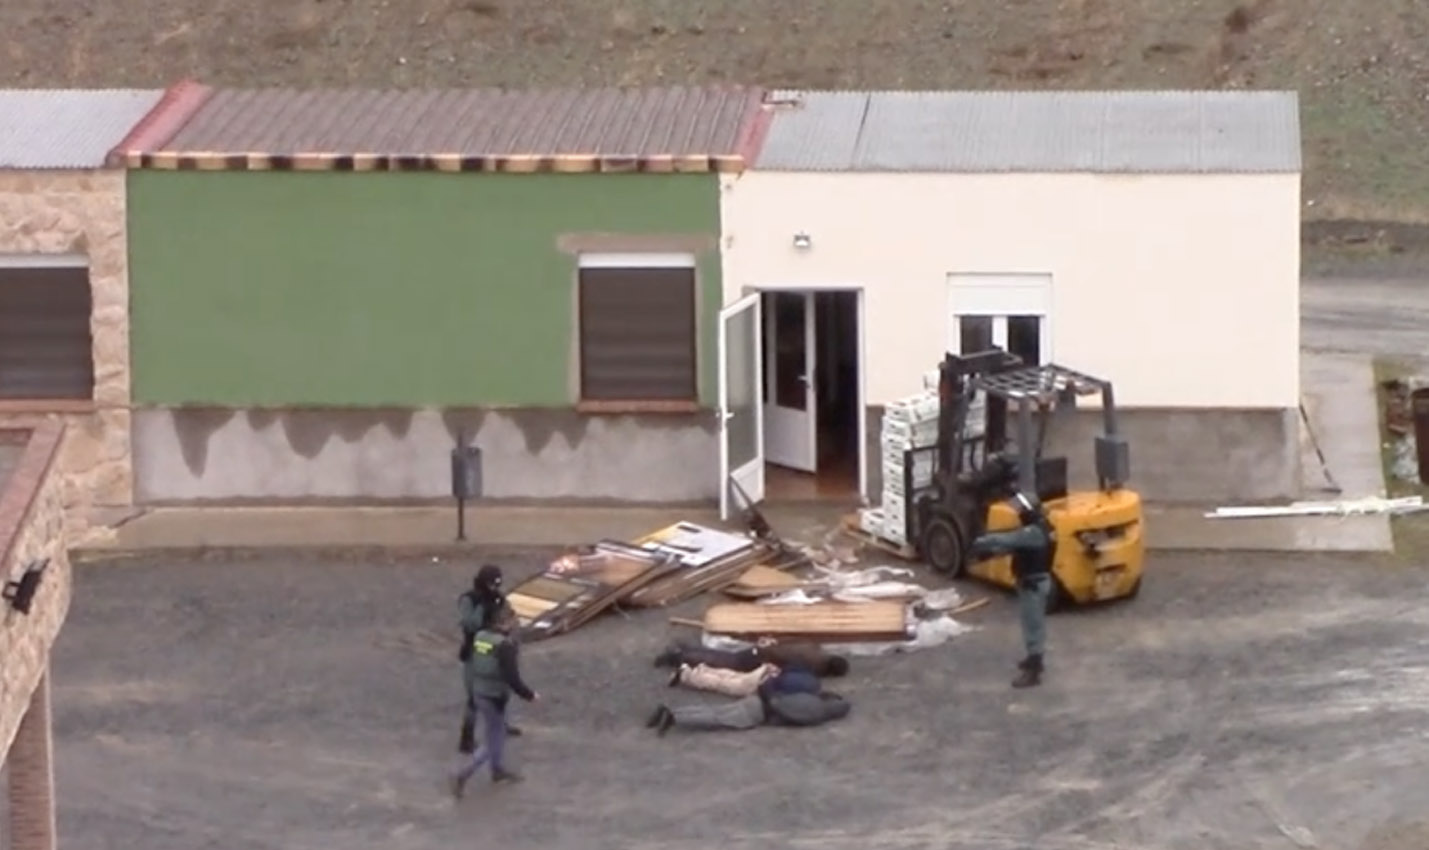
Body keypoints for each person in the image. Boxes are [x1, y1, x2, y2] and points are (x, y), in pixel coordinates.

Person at [968, 490, 1057, 689]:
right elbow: (1019, 548)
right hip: (1035, 581)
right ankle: (1033, 659)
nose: (1018, 513)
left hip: (1032, 584)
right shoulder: (1043, 527)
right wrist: (990, 554)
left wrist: (981, 541)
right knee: (1031, 624)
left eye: (1020, 510)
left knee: (1033, 627)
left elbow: (1009, 540)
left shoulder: (1033, 532)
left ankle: (1034, 671)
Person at [450, 608, 538, 799]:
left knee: (497, 732)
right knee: (494, 740)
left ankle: (497, 770)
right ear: (505, 623)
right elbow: (512, 677)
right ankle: (463, 774)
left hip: (480, 690)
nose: (517, 625)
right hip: (495, 695)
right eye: (514, 621)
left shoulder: (481, 636)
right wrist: (529, 695)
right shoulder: (505, 646)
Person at [646, 678, 851, 737]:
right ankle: (674, 718)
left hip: (755, 700)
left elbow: (784, 695)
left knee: (715, 710)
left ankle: (672, 711)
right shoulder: (814, 715)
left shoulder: (811, 696)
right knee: (716, 718)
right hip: (758, 714)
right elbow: (788, 718)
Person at [458, 565, 521, 749]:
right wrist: (482, 608)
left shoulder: (498, 598)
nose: (494, 588)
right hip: (474, 651)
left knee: (502, 689)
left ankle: (501, 724)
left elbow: (510, 616)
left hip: (497, 648)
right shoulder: (469, 600)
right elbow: (470, 625)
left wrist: (507, 627)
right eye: (492, 584)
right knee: (473, 695)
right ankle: (466, 737)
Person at [653, 639, 851, 679]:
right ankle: (679, 656)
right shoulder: (813, 667)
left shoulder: (815, 647)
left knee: (722, 656)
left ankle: (686, 646)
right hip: (760, 658)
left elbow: (794, 644)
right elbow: (784, 663)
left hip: (765, 649)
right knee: (721, 661)